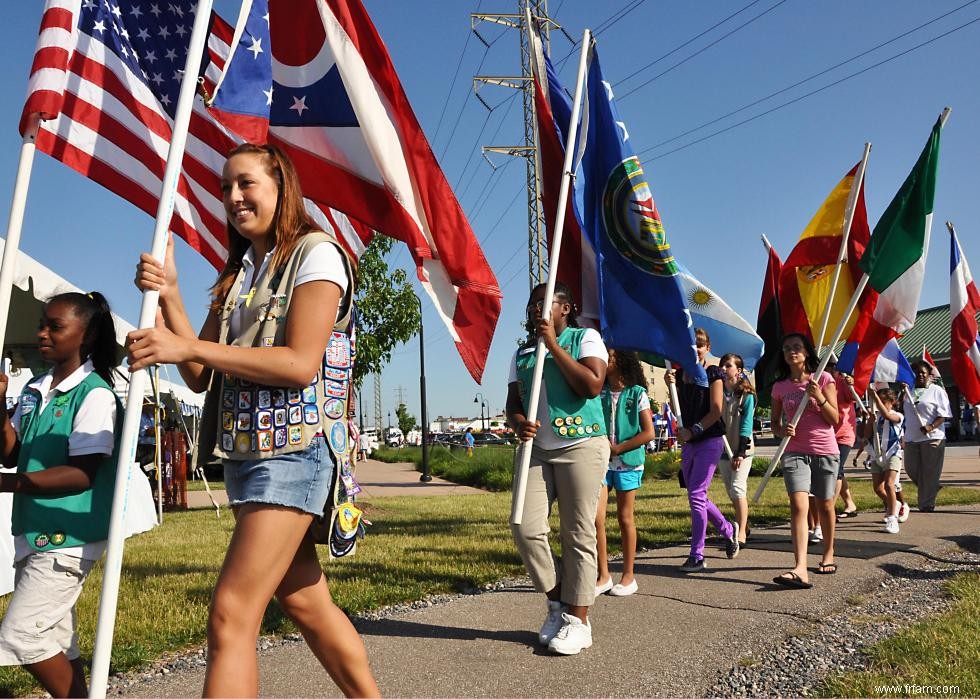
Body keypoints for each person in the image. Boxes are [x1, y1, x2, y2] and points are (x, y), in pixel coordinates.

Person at [129, 143, 378, 697]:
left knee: (230, 613)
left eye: (245, 184)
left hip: (297, 453)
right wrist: (171, 295)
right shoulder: (238, 272)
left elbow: (298, 364)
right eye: (225, 188)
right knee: (306, 602)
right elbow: (198, 374)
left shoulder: (317, 255)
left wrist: (182, 345)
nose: (233, 197)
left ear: (280, 187)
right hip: (248, 457)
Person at [0, 292, 121, 697]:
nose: (41, 333)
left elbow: (81, 475)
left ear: (85, 337)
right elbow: (13, 454)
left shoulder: (95, 394)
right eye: (42, 324)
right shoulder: (36, 388)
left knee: (22, 637)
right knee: (54, 637)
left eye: (55, 326)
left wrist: (9, 484)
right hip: (34, 529)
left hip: (68, 533)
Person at [506, 281, 609, 655]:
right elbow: (512, 403)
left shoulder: (586, 339)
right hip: (537, 448)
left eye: (546, 303)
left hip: (581, 443)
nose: (537, 310)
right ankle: (556, 601)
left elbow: (592, 385)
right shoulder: (522, 353)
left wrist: (553, 346)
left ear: (565, 308)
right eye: (533, 304)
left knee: (576, 532)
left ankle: (578, 620)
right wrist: (519, 423)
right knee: (524, 525)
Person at [664, 328, 740, 573]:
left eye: (700, 344)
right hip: (689, 443)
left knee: (696, 495)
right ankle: (728, 530)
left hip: (709, 440)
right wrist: (670, 387)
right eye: (691, 344)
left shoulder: (712, 373)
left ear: (707, 348)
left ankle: (697, 555)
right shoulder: (678, 375)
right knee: (697, 496)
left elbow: (716, 409)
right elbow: (681, 409)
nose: (695, 348)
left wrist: (694, 430)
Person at [770, 333, 839, 588]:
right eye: (787, 348)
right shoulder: (780, 387)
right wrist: (782, 430)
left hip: (825, 450)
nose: (792, 352)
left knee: (825, 505)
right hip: (795, 451)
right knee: (799, 505)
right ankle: (800, 567)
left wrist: (819, 397)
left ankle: (828, 552)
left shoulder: (824, 379)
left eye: (797, 347)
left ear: (807, 352)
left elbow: (834, 420)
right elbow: (776, 425)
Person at [595, 349, 655, 597]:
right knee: (596, 518)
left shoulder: (637, 393)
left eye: (607, 356)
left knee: (624, 517)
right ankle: (603, 575)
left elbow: (648, 432)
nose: (601, 359)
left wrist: (619, 448)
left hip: (628, 462)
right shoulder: (598, 394)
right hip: (601, 462)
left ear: (619, 361)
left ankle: (629, 576)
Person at [900, 361, 952, 513]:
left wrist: (931, 426)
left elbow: (944, 414)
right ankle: (932, 486)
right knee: (911, 469)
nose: (920, 375)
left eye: (923, 372)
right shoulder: (908, 391)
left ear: (929, 375)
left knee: (929, 472)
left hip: (933, 438)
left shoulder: (937, 391)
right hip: (911, 438)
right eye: (917, 372)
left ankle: (926, 504)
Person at [717, 353, 755, 547]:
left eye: (728, 365)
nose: (724, 368)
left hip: (742, 450)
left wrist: (740, 452)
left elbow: (746, 425)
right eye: (722, 365)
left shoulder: (746, 396)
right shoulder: (718, 392)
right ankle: (745, 524)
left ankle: (740, 533)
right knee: (731, 492)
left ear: (738, 371)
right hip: (723, 449)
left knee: (738, 489)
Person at [867, 388, 905, 534]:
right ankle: (894, 503)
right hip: (878, 454)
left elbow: (888, 416)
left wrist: (874, 397)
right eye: (879, 402)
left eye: (884, 402)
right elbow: (866, 434)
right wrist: (869, 420)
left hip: (893, 453)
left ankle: (892, 517)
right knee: (877, 488)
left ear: (892, 402)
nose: (880, 405)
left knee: (889, 484)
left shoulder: (898, 416)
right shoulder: (877, 417)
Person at [831, 366, 859, 521]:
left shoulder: (842, 380)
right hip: (828, 434)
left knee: (836, 470)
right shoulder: (819, 380)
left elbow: (853, 396)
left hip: (845, 433)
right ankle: (849, 503)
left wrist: (851, 384)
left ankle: (829, 508)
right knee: (837, 471)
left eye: (831, 366)